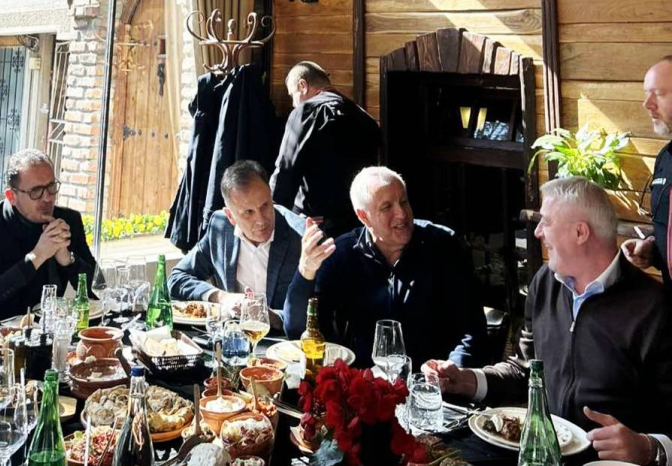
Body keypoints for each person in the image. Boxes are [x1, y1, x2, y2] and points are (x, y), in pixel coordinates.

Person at [424, 177, 672, 465]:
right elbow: (526, 370)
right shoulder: (546, 283)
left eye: (547, 221)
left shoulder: (654, 308)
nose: (538, 231)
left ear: (580, 232)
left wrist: (650, 448)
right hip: (541, 456)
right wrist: (468, 380)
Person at [283, 166, 486, 368]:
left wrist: (454, 369)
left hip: (432, 380)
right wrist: (306, 271)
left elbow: (472, 329)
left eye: (404, 202)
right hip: (364, 380)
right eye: (387, 207)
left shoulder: (443, 246)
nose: (401, 214)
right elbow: (298, 330)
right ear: (364, 216)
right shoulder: (344, 254)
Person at [168, 160, 305, 332]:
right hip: (233, 337)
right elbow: (177, 277)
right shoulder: (220, 227)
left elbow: (319, 311)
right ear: (230, 216)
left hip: (284, 342)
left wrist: (273, 316)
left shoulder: (301, 236)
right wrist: (222, 297)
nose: (261, 220)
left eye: (265, 206)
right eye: (248, 212)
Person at [0, 149, 96, 321]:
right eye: (36, 191)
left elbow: (97, 288)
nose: (47, 198)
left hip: (48, 328)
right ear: (12, 196)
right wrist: (36, 257)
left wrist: (68, 260)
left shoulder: (68, 220)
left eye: (51, 187)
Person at [270, 61, 381, 239]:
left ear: (303, 85)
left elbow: (286, 170)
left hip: (314, 228)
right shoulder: (366, 118)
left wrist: (274, 216)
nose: (293, 104)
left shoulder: (306, 111)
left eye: (292, 95)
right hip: (359, 226)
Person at [622, 56, 672, 284]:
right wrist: (652, 247)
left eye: (658, 94)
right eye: (646, 94)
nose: (647, 104)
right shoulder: (665, 158)